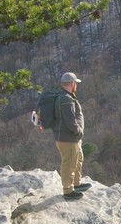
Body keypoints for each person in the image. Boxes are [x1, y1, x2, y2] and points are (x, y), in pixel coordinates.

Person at [37, 72, 91, 200]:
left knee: (78, 159)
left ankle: (76, 184)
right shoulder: (66, 99)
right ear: (72, 84)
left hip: (71, 137)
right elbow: (70, 120)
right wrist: (78, 130)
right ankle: (68, 190)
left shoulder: (63, 96)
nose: (76, 86)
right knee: (69, 164)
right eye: (75, 83)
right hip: (68, 138)